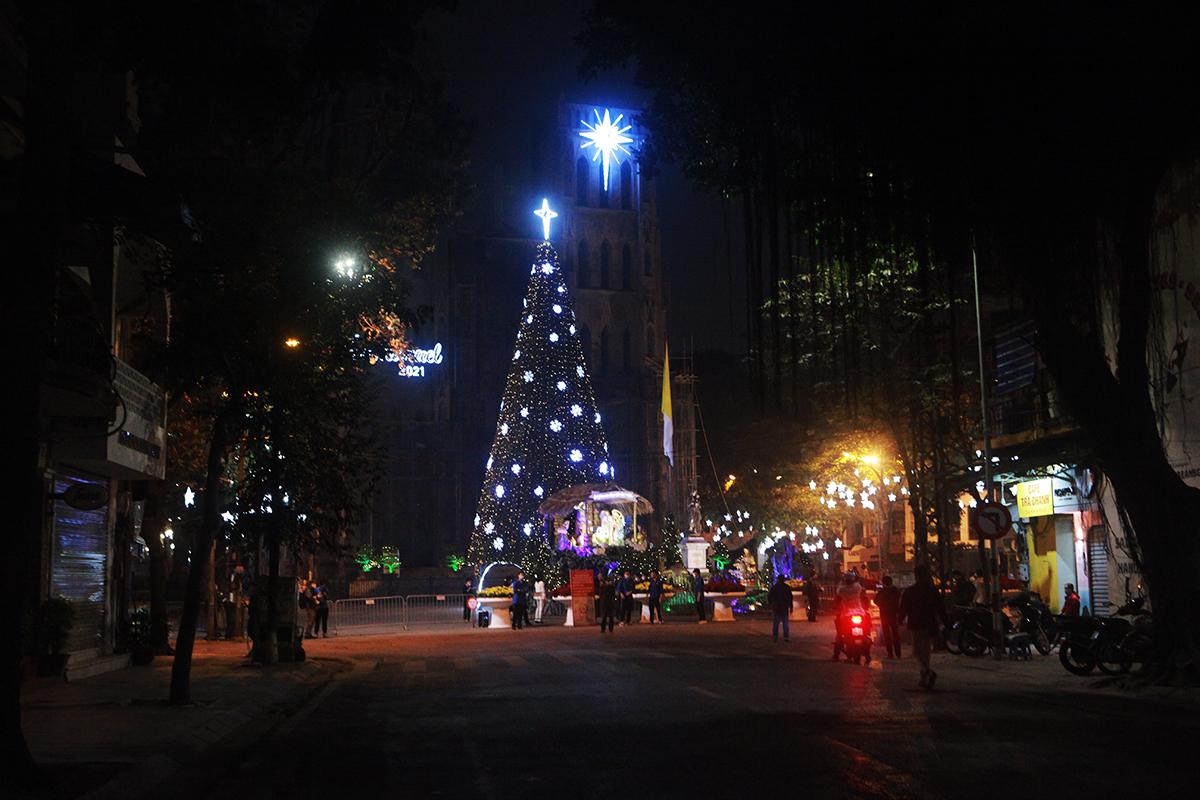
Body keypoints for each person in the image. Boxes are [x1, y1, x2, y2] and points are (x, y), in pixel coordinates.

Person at [900, 563, 950, 689]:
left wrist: (899, 620)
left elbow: (903, 608)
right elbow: (941, 609)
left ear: (915, 576)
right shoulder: (933, 591)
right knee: (925, 652)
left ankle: (927, 672)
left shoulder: (909, 591)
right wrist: (947, 623)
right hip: (929, 624)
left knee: (916, 652)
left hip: (916, 623)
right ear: (927, 575)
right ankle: (924, 679)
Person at [832, 571, 866, 661]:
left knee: (839, 634)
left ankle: (836, 655)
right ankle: (868, 654)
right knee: (866, 630)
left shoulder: (841, 589)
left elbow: (837, 599)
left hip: (845, 613)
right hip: (860, 612)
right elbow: (863, 597)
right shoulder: (858, 587)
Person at [874, 575, 903, 658]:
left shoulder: (882, 592)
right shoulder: (896, 591)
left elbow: (876, 600)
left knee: (887, 635)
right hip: (894, 615)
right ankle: (898, 653)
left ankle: (890, 654)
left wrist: (882, 606)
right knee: (895, 634)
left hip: (884, 616)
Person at [767, 574, 793, 642]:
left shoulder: (774, 587)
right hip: (784, 606)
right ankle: (786, 636)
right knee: (785, 622)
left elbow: (770, 596)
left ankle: (775, 636)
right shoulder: (787, 588)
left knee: (776, 622)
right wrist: (791, 607)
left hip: (777, 606)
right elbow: (790, 598)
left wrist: (770, 603)